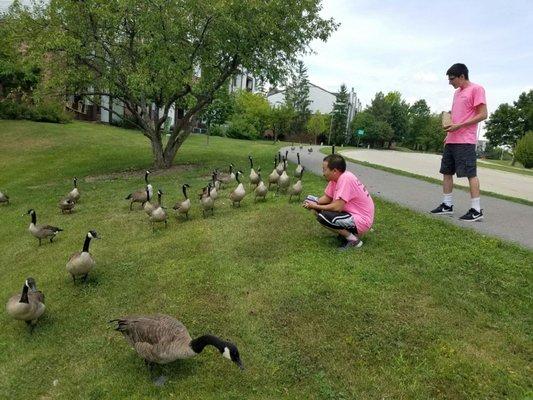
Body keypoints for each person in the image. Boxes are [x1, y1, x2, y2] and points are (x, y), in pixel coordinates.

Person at [431, 63, 487, 221]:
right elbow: (457, 115)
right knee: (446, 172)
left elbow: (483, 114)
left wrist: (459, 126)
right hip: (452, 139)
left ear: (462, 76)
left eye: (452, 79)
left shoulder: (477, 89)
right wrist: (449, 132)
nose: (450, 82)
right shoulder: (457, 93)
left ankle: (476, 210)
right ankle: (447, 205)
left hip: (465, 141)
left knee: (470, 174)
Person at [303, 154, 374, 250]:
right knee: (317, 208)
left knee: (323, 216)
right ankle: (345, 234)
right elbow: (327, 198)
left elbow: (337, 207)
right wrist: (313, 203)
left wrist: (316, 206)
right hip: (352, 214)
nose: (323, 173)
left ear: (335, 171)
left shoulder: (345, 178)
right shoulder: (335, 179)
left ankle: (353, 240)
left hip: (362, 220)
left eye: (324, 169)